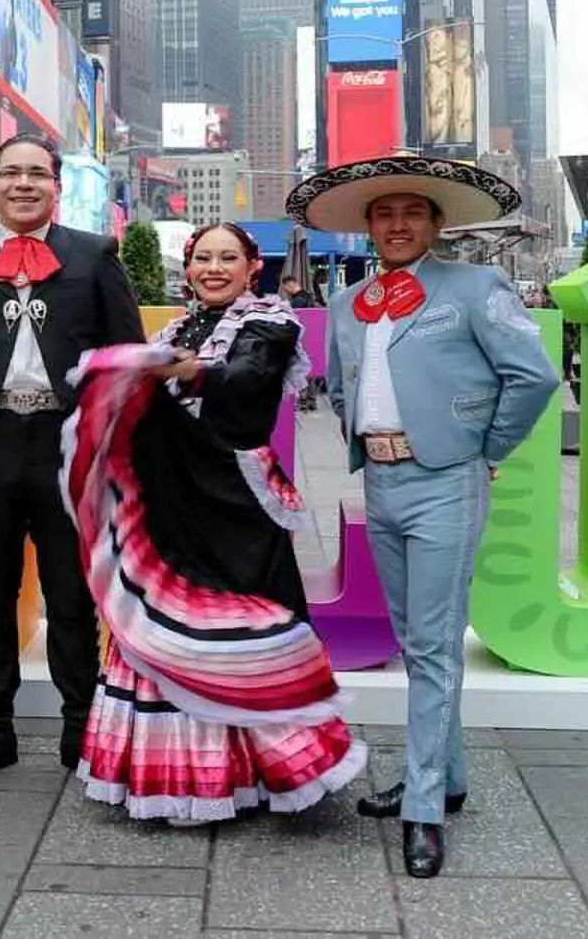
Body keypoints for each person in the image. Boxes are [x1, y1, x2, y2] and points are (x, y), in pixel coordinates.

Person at [288, 155, 557, 879]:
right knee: (417, 644)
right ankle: (449, 777)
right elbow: (342, 388)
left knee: (435, 646)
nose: (397, 225)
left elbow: (534, 375)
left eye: (412, 213)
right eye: (383, 214)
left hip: (446, 479)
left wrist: (484, 447)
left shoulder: (474, 287)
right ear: (368, 227)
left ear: (436, 223)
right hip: (380, 483)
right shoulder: (348, 304)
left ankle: (424, 809)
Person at [65, 223, 365, 825]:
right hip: (175, 494)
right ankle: (182, 773)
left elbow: (250, 378)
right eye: (204, 258)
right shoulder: (177, 328)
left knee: (245, 624)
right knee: (170, 619)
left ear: (254, 266)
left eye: (229, 258)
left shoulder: (270, 322)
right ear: (189, 265)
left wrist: (188, 374)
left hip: (235, 498)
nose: (214, 268)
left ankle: (266, 770)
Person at [0, 134, 145, 778]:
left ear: (56, 185)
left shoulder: (94, 254)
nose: (23, 184)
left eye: (36, 174)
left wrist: (120, 456)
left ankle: (81, 726)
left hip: (68, 448)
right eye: (9, 173)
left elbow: (126, 362)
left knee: (72, 594)